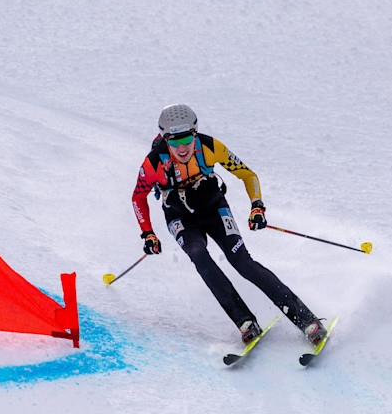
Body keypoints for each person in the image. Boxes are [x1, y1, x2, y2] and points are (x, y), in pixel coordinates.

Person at [131, 103, 328, 345]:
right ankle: (245, 322)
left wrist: (257, 206)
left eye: (186, 139)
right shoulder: (153, 163)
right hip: (180, 217)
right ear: (164, 139)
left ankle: (307, 320)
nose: (181, 148)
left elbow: (248, 175)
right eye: (174, 141)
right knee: (199, 256)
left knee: (243, 263)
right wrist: (148, 234)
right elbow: (138, 198)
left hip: (214, 208)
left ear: (195, 134)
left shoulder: (210, 146)